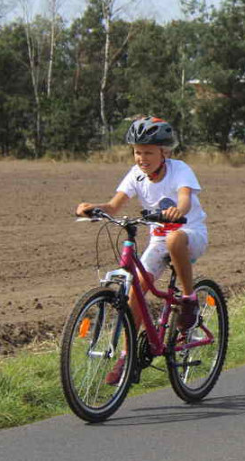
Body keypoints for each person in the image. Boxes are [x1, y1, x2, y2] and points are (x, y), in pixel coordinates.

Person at [75, 116, 207, 383]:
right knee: (134, 294)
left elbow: (183, 199)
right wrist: (94, 209)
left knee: (173, 239)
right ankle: (128, 356)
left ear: (164, 152)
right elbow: (114, 206)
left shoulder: (179, 169)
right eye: (137, 152)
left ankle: (190, 300)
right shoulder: (136, 175)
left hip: (189, 234)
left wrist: (176, 212)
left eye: (148, 152)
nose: (142, 158)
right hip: (159, 241)